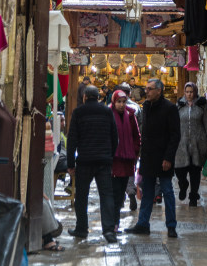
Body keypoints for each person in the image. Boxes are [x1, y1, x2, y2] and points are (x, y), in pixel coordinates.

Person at [125, 78, 181, 238]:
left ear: (159, 90)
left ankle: (171, 226)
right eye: (146, 88)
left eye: (150, 89)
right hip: (148, 157)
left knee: (167, 191)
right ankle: (143, 224)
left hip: (163, 157)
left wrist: (168, 157)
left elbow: (175, 135)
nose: (146, 91)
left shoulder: (170, 108)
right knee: (146, 191)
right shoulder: (146, 106)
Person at [67, 85, 119, 243]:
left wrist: (70, 163)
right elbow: (114, 137)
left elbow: (72, 140)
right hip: (103, 161)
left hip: (85, 161)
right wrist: (110, 155)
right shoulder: (107, 111)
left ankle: (81, 229)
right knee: (106, 195)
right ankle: (109, 230)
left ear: (84, 97)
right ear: (98, 97)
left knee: (81, 196)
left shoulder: (78, 112)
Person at [174, 82, 207, 206]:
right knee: (179, 169)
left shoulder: (201, 106)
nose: (189, 94)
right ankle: (183, 184)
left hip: (198, 143)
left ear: (195, 92)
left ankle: (193, 196)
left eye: (191, 92)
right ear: (184, 93)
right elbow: (174, 124)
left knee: (195, 171)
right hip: (182, 143)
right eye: (187, 92)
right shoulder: (179, 105)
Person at [110, 90, 141, 232]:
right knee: (115, 193)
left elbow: (136, 135)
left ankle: (115, 220)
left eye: (123, 102)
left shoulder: (130, 115)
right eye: (119, 102)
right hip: (113, 160)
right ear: (114, 102)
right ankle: (114, 222)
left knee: (122, 188)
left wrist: (134, 151)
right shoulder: (109, 114)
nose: (121, 105)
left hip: (127, 159)